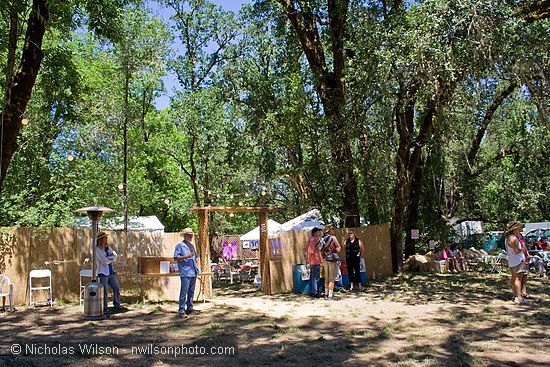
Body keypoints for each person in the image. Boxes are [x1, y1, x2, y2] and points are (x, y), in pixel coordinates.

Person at [174, 227, 199, 318]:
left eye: (191, 235)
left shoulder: (192, 246)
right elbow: (175, 258)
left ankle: (190, 308)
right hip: (185, 271)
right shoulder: (179, 246)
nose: (190, 236)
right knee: (184, 291)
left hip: (193, 270)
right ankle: (181, 310)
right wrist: (186, 256)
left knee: (191, 291)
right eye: (188, 235)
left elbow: (195, 257)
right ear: (184, 236)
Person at [95, 231, 123, 314]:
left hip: (110, 272)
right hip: (102, 273)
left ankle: (117, 304)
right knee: (104, 292)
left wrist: (109, 258)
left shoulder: (107, 247)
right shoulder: (97, 249)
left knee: (116, 288)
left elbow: (115, 256)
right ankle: (104, 308)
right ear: (100, 239)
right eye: (104, 237)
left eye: (106, 237)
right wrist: (110, 258)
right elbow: (104, 261)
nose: (106, 239)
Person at [505, 220, 529, 304]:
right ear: (516, 228)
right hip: (518, 260)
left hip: (512, 260)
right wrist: (523, 249)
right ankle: (519, 297)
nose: (521, 228)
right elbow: (516, 251)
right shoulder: (514, 238)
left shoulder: (509, 237)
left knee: (514, 278)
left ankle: (515, 295)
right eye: (520, 227)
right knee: (518, 279)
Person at [321, 224, 341, 300]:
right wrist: (336, 251)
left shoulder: (322, 238)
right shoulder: (333, 238)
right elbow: (338, 248)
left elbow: (320, 250)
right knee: (331, 278)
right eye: (332, 229)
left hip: (324, 259)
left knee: (326, 277)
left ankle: (325, 295)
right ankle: (330, 295)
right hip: (332, 259)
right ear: (330, 230)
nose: (333, 230)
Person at [306, 227, 323, 298]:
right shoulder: (313, 239)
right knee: (315, 277)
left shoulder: (314, 239)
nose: (319, 233)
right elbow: (311, 251)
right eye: (318, 232)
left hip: (314, 261)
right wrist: (308, 260)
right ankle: (315, 292)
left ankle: (311, 291)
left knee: (312, 277)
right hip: (315, 261)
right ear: (314, 233)